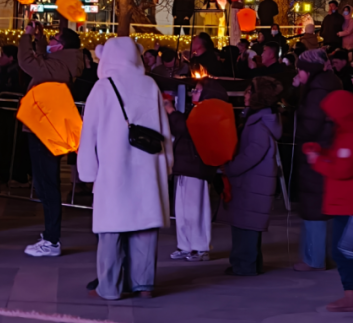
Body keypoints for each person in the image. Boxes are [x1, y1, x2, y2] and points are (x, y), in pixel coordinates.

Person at [77, 37, 172, 300]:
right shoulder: (149, 85)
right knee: (144, 226)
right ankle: (144, 285)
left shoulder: (102, 87)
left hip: (113, 169)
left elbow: (89, 133)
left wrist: (88, 170)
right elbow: (164, 130)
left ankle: (109, 287)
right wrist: (167, 164)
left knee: (111, 230)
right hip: (147, 167)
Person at [305, 90, 353, 312]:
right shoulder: (347, 131)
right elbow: (340, 158)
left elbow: (343, 169)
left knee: (344, 249)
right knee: (341, 250)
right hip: (346, 202)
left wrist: (316, 160)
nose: (328, 117)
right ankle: (352, 293)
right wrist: (322, 152)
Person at [18, 23, 84, 257]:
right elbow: (41, 59)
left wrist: (27, 37)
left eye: (55, 39)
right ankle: (50, 235)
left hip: (44, 129)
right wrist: (40, 38)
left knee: (47, 184)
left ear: (61, 47)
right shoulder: (62, 63)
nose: (51, 41)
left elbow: (27, 62)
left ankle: (52, 239)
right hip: (43, 126)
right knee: (45, 182)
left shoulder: (59, 67)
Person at [223, 75, 283, 276]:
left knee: (246, 224)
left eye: (249, 91)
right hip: (254, 180)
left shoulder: (259, 122)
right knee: (247, 223)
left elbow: (253, 153)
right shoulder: (260, 118)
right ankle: (248, 264)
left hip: (253, 181)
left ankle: (245, 266)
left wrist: (231, 168)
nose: (245, 95)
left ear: (259, 96)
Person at [166, 77, 227, 262]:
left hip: (196, 165)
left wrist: (172, 112)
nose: (193, 93)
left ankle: (200, 247)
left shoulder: (208, 112)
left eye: (197, 90)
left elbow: (188, 129)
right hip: (186, 164)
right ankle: (185, 245)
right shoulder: (198, 110)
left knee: (196, 209)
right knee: (182, 210)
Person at [292, 49, 342, 271]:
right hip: (327, 150)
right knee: (323, 205)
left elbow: (309, 125)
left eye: (300, 70)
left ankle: (314, 259)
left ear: (309, 71)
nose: (298, 74)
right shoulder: (329, 85)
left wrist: (294, 130)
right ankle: (324, 255)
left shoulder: (317, 92)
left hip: (316, 151)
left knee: (314, 206)